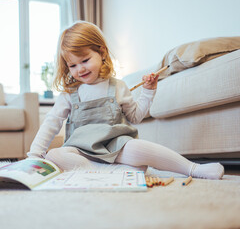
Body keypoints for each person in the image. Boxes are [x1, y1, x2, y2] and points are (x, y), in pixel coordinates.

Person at [27, 21, 224, 180]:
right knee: (54, 155)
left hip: (116, 147)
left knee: (138, 148)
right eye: (72, 65)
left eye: (85, 60)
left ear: (102, 52)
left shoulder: (118, 86)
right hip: (81, 150)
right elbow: (51, 123)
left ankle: (193, 168)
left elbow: (136, 117)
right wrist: (34, 156)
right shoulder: (69, 94)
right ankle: (109, 173)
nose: (80, 69)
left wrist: (148, 92)